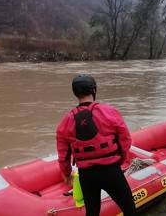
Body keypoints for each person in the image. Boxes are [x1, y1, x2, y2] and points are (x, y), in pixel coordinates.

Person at [56, 74, 137, 216]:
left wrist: (67, 173)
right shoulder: (109, 112)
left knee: (92, 212)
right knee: (129, 209)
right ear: (94, 90)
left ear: (75, 93)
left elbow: (63, 155)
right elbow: (125, 140)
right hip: (111, 171)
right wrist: (121, 159)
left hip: (87, 175)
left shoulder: (66, 121)